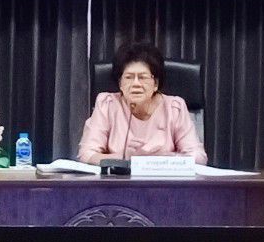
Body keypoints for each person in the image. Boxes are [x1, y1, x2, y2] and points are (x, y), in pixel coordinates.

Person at [76, 41, 207, 163]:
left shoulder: (174, 108)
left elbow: (198, 157)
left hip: (164, 184)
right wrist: (123, 158)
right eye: (129, 77)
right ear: (120, 83)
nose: (136, 84)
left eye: (143, 77)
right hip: (119, 184)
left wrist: (160, 159)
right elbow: (87, 154)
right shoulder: (107, 105)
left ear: (155, 83)